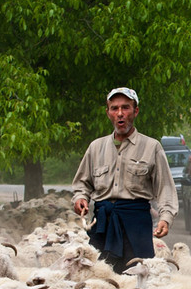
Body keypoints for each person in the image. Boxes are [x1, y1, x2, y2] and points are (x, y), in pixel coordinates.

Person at [72, 87, 178, 273]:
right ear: (108, 113)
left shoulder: (151, 147)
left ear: (135, 111)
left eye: (126, 107)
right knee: (97, 278)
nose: (120, 114)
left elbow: (165, 188)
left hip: (136, 225)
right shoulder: (96, 147)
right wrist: (80, 198)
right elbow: (83, 183)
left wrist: (166, 218)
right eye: (114, 108)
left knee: (139, 279)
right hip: (103, 224)